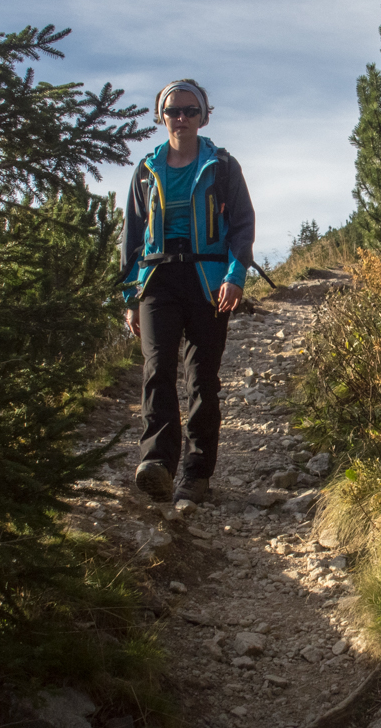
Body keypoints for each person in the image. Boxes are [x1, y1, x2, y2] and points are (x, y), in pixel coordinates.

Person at [119, 78, 255, 504]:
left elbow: (242, 227)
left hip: (209, 283)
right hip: (157, 282)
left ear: (204, 116)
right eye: (173, 111)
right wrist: (128, 298)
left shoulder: (223, 166)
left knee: (203, 381)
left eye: (190, 111)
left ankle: (196, 474)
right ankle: (156, 464)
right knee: (157, 370)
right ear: (161, 117)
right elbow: (131, 238)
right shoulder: (146, 170)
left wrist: (235, 276)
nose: (181, 118)